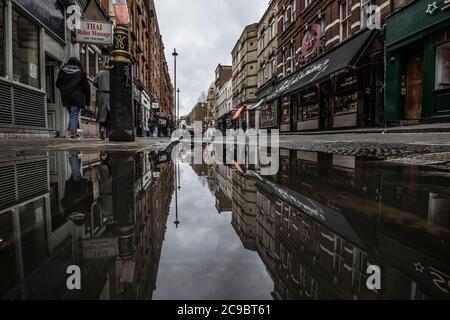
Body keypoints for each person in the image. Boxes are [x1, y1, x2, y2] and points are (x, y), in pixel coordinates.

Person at [56, 57, 90, 140]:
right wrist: (88, 102)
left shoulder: (62, 71)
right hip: (76, 96)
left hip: (66, 96)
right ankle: (73, 134)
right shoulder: (80, 73)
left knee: (72, 115)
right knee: (74, 115)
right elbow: (86, 87)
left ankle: (74, 132)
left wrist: (64, 89)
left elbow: (57, 83)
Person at [94, 60, 111, 140]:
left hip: (102, 94)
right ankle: (109, 132)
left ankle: (102, 128)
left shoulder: (100, 73)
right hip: (112, 95)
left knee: (102, 113)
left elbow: (95, 83)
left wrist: (101, 86)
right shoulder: (114, 74)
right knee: (111, 114)